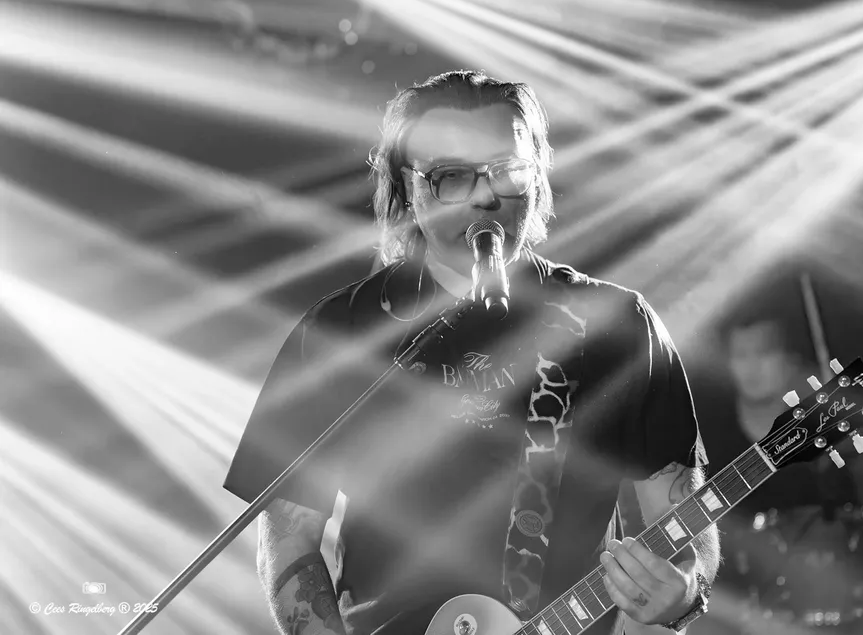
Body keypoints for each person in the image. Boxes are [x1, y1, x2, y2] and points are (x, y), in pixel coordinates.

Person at [223, 70, 720, 635]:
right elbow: (289, 543)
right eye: (451, 178)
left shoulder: (618, 325)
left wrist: (683, 594)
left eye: (507, 170)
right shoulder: (341, 331)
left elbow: (683, 519)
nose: (486, 197)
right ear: (407, 188)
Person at [694, 311, 863, 634]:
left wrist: (853, 461)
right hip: (732, 614)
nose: (752, 366)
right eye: (741, 355)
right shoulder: (705, 441)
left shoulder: (823, 429)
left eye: (764, 352)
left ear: (789, 361)